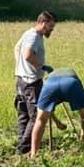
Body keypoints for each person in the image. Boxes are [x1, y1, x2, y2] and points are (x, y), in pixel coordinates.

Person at [29, 68, 84, 159]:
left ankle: (34, 154)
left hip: (50, 86)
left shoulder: (48, 79)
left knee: (40, 120)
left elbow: (47, 112)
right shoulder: (72, 75)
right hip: (70, 84)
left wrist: (57, 122)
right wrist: (83, 136)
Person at [14, 10, 57, 154]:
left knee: (24, 115)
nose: (51, 29)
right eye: (50, 26)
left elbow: (17, 48)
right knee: (36, 117)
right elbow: (27, 55)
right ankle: (24, 148)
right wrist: (41, 66)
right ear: (43, 23)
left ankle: (22, 146)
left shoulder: (28, 33)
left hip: (21, 79)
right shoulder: (34, 37)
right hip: (31, 83)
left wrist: (20, 68)